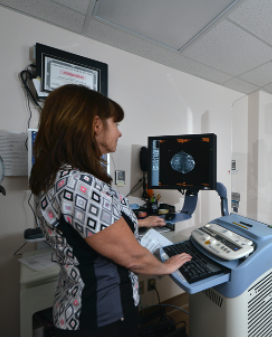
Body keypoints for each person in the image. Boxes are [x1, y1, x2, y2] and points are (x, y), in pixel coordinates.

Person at [29, 84, 191, 336]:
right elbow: (133, 258)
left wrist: (141, 223)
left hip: (74, 308)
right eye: (115, 123)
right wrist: (166, 267)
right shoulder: (80, 184)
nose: (119, 133)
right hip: (100, 316)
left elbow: (92, 228)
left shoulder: (57, 176)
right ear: (96, 126)